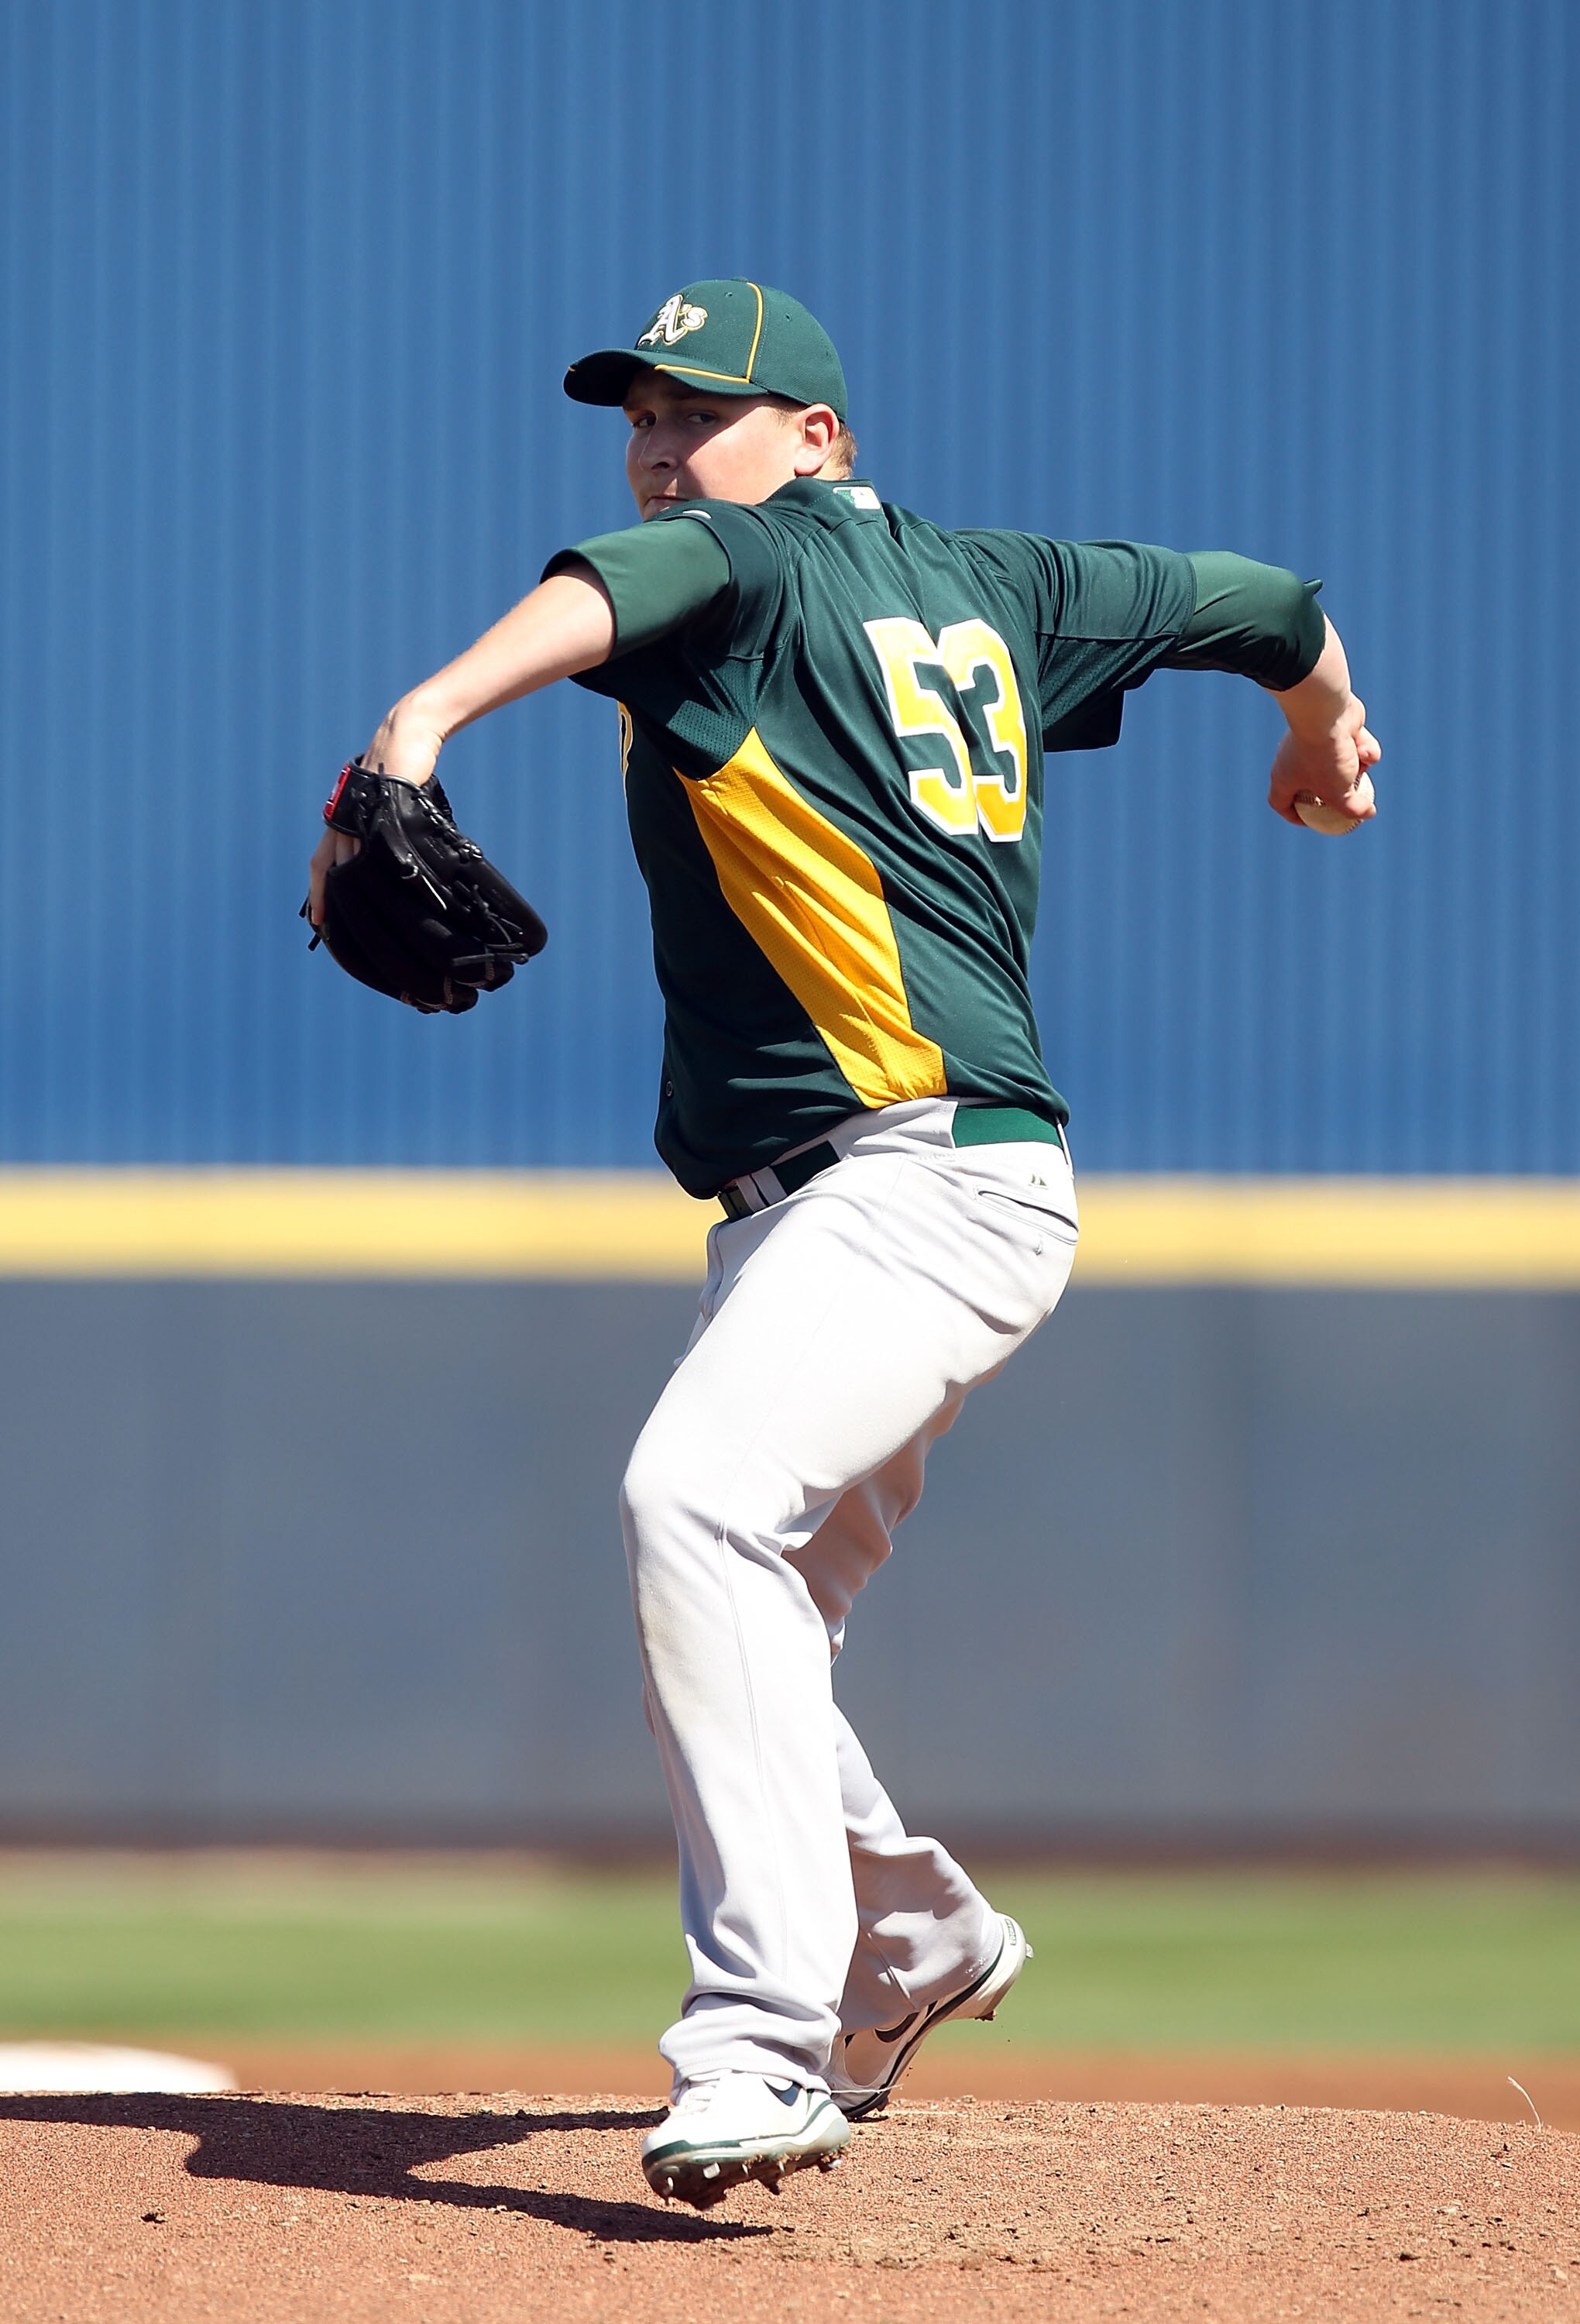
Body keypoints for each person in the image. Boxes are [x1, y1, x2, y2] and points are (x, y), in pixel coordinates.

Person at [307, 279, 1380, 2209]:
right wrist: (1325, 729)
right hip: (891, 1199)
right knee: (760, 1617)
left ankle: (759, 2042)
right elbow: (1270, 600)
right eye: (637, 413)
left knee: (691, 1510)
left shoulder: (739, 565)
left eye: (702, 412)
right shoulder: (1014, 585)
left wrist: (419, 724)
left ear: (820, 439)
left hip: (913, 1178)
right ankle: (912, 1946)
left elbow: (608, 596)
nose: (658, 445)